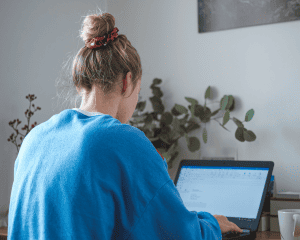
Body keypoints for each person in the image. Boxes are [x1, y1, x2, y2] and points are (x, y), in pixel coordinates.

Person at [8, 11, 242, 240]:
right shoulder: (122, 141)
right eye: (138, 92)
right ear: (127, 82)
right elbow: (177, 233)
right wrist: (211, 224)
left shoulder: (34, 139)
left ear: (83, 82)